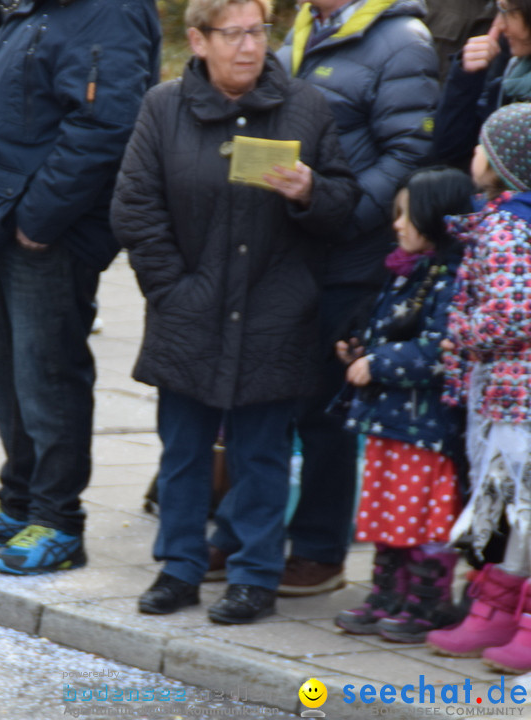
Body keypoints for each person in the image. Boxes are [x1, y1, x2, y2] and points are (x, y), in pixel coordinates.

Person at [114, 0, 359, 624]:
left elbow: (343, 206)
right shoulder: (163, 107)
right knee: (184, 450)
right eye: (234, 34)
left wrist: (310, 192)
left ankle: (254, 575)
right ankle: (180, 568)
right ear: (198, 40)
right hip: (189, 309)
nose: (250, 46)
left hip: (276, 310)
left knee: (262, 452)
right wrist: (174, 290)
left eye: (258, 31)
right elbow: (135, 208)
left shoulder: (305, 106)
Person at [0, 0, 162, 575]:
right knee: (8, 372)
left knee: (47, 376)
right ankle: (21, 501)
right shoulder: (40, 9)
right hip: (8, 218)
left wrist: (40, 217)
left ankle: (57, 521)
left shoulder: (111, 12)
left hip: (48, 232)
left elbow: (105, 124)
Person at [273, 0, 439, 597]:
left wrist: (338, 211)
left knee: (324, 408)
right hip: (291, 246)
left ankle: (320, 549)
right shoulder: (304, 25)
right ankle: (257, 533)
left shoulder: (401, 40)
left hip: (348, 255)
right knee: (271, 399)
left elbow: (410, 154)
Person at [332, 166, 474, 643]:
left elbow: (440, 351)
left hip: (425, 427)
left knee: (422, 514)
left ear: (436, 217)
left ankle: (427, 601)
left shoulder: (452, 278)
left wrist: (379, 363)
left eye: (406, 215)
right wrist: (359, 348)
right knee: (387, 510)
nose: (396, 224)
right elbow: (394, 329)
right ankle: (387, 593)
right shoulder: (409, 270)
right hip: (393, 420)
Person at [425, 103, 531, 673]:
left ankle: (518, 616)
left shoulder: (510, 226)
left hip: (519, 392)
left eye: (481, 146)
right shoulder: (504, 219)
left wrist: (460, 332)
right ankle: (497, 606)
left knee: (523, 501)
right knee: (513, 503)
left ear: (505, 163)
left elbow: (513, 314)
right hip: (508, 390)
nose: (473, 154)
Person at [433, 0, 531, 170]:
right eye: (499, 10)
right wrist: (466, 77)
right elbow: (452, 150)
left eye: (507, 11)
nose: (499, 25)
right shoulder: (513, 71)